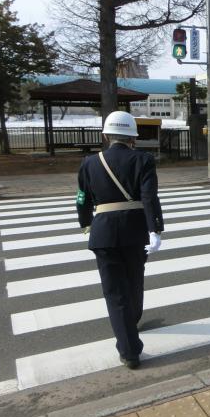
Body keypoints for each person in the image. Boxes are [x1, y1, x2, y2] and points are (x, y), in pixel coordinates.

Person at [76, 111, 163, 369]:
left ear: (105, 135)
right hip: (135, 230)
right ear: (133, 138)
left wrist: (86, 225)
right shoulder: (143, 160)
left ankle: (129, 351)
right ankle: (132, 320)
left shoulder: (89, 163)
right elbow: (149, 197)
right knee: (135, 280)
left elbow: (82, 198)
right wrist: (155, 229)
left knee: (115, 293)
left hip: (102, 231)